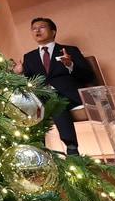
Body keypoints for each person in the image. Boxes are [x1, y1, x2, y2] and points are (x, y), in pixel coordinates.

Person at [14, 17, 96, 155]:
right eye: (34, 29)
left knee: (54, 101)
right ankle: (37, 149)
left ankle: (71, 148)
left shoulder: (70, 50)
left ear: (53, 32)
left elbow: (88, 76)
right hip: (42, 97)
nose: (37, 31)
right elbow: (29, 83)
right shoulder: (29, 57)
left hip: (68, 95)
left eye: (41, 27)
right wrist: (20, 74)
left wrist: (70, 65)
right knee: (31, 104)